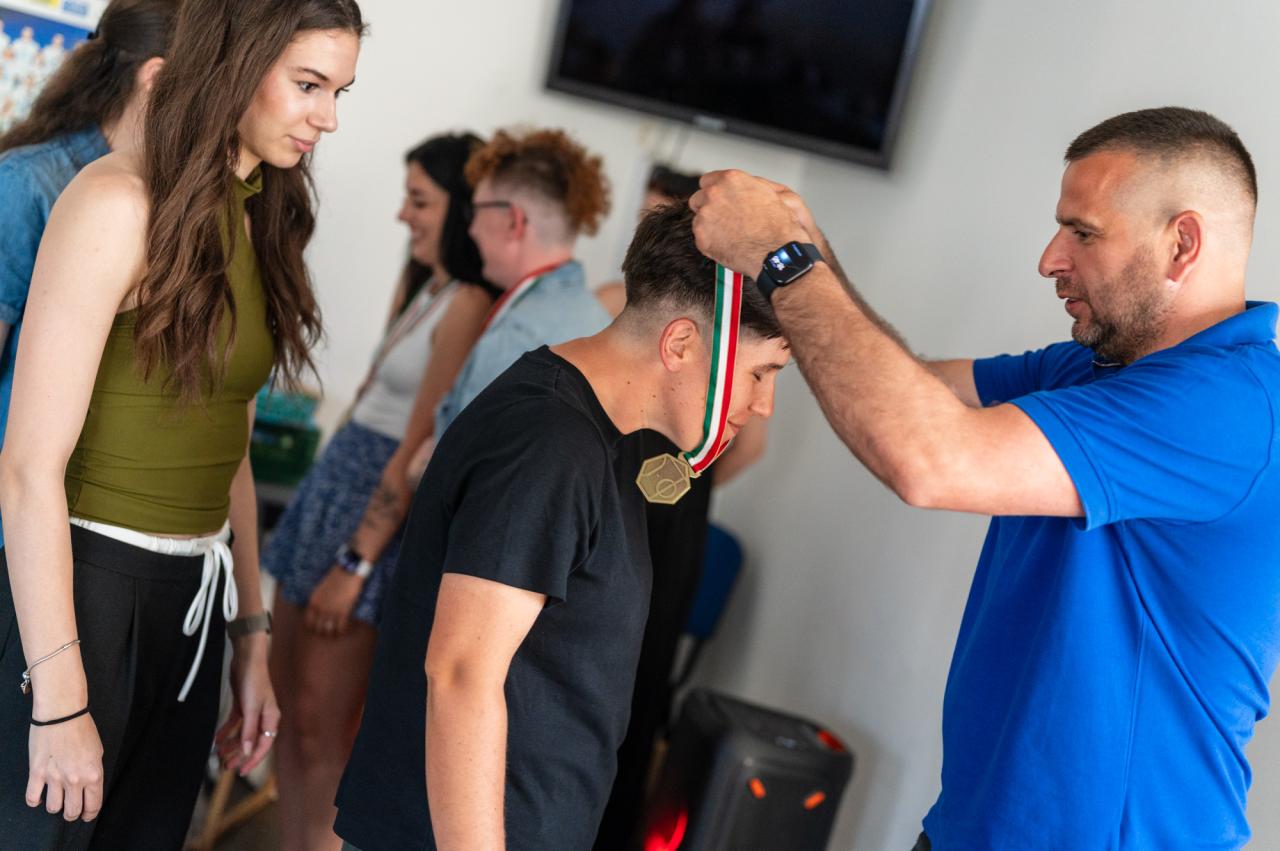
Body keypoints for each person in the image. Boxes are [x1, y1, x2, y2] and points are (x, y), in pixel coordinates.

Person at [689, 106, 1280, 850]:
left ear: (1182, 244)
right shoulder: (1098, 368)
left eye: (1083, 233)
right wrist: (814, 256)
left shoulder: (1228, 408)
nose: (1050, 259)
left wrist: (782, 259)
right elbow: (912, 390)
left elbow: (927, 457)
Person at [0, 0, 363, 847]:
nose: (329, 118)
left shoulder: (254, 210)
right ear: (236, 61)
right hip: (86, 589)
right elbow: (26, 467)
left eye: (339, 92)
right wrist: (61, 701)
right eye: (309, 84)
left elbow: (230, 438)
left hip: (195, 600)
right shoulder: (117, 200)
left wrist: (251, 637)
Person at [333, 202, 790, 851]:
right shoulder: (548, 444)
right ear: (681, 344)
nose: (764, 403)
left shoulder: (605, 438)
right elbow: (462, 674)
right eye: (761, 373)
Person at [265, 132, 495, 851]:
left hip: (367, 520)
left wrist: (357, 561)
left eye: (420, 201)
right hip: (332, 493)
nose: (404, 215)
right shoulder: (424, 284)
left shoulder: (469, 302)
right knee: (284, 712)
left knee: (322, 726)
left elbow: (417, 444)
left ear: (461, 210)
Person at [590, 161, 768, 850]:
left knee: (639, 677)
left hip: (661, 515)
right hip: (630, 497)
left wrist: (668, 485)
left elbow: (750, 444)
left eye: (659, 214)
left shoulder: (726, 319)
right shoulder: (611, 300)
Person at [0, 0, 179, 550]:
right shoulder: (29, 181)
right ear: (156, 78)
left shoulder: (175, 197)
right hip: (22, 512)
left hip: (102, 517)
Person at [424, 126, 613, 450]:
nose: (471, 228)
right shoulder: (599, 322)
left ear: (513, 221)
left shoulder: (518, 335)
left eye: (475, 211)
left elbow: (465, 459)